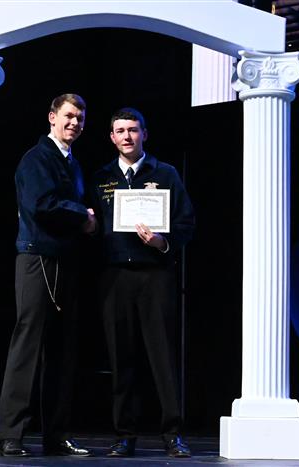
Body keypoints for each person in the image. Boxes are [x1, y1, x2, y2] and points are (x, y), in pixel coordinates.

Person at [0, 93, 97, 457]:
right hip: (38, 258)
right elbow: (42, 205)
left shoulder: (71, 162)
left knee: (61, 351)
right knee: (28, 344)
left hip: (64, 260)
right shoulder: (37, 158)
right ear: (52, 117)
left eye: (80, 118)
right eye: (68, 116)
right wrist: (83, 216)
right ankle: (11, 434)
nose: (74, 123)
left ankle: (56, 435)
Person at [91, 108, 195, 458]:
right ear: (112, 137)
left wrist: (162, 242)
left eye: (133, 130)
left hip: (155, 275)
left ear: (144, 134)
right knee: (121, 357)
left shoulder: (165, 173)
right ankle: (125, 435)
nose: (127, 136)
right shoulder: (101, 178)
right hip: (115, 277)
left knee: (162, 356)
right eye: (120, 131)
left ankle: (173, 434)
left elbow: (186, 222)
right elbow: (91, 229)